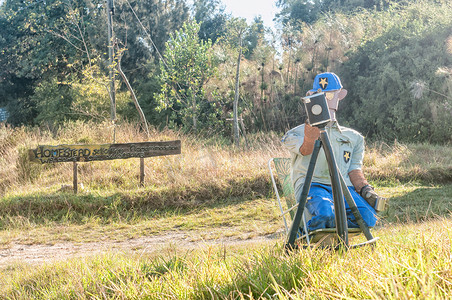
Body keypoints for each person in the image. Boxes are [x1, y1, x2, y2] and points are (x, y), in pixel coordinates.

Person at [281, 72, 381, 232]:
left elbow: (354, 169)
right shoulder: (295, 133)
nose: (326, 99)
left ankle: (330, 227)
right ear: (312, 96)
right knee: (327, 213)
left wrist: (365, 189)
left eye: (330, 94)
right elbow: (306, 150)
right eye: (319, 95)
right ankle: (305, 234)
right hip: (313, 186)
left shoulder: (354, 137)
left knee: (369, 217)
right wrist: (313, 123)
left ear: (340, 95)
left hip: (343, 188)